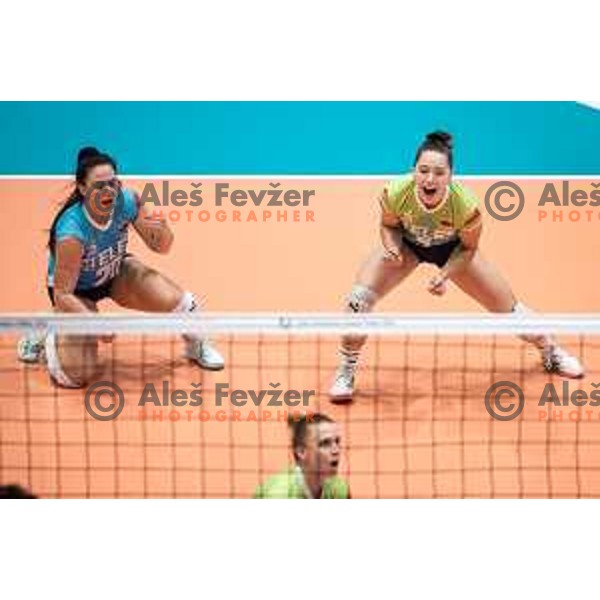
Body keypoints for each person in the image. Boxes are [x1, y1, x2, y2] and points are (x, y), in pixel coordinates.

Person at [329, 131, 584, 402]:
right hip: (408, 245)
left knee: (510, 311)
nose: (429, 179)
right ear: (413, 171)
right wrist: (392, 248)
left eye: (439, 173)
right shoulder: (394, 192)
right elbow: (389, 225)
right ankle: (346, 369)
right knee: (357, 301)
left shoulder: (466, 207)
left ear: (451, 175)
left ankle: (550, 350)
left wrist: (445, 275)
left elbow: (469, 248)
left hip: (453, 250)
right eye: (423, 170)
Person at [18, 147, 224, 387]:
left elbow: (162, 246)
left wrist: (163, 230)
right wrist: (96, 325)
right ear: (83, 188)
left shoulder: (127, 201)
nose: (108, 191)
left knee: (176, 300)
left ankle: (197, 343)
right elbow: (62, 293)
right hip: (76, 293)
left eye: (112, 183)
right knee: (75, 376)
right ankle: (48, 330)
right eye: (99, 186)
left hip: (114, 272)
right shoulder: (72, 232)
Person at [254, 413, 350, 499]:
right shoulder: (278, 495)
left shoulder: (339, 489)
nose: (336, 450)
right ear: (301, 452)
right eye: (325, 443)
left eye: (337, 441)